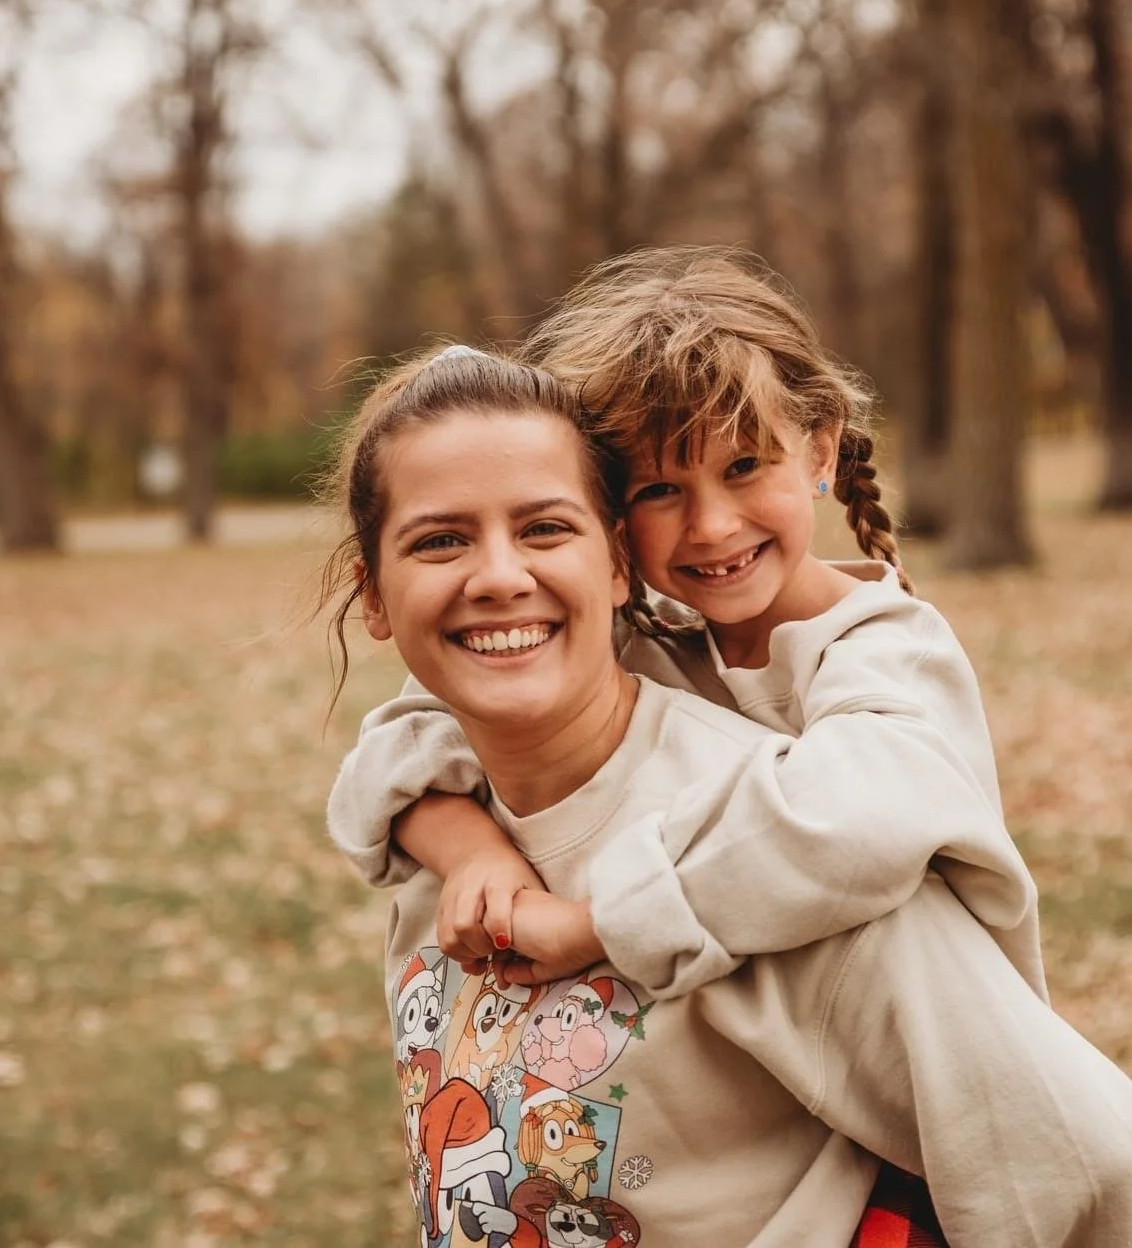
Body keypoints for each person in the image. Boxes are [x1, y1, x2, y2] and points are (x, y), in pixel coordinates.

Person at [321, 344, 1132, 1246]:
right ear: (373, 593)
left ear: (616, 564)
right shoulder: (441, 823)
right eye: (440, 540)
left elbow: (1084, 1169)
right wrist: (464, 845)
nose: (499, 577)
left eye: (544, 528)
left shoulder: (787, 854)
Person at [329, 247, 1045, 1010]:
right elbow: (394, 754)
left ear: (821, 449)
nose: (711, 525)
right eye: (660, 489)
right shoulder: (635, 637)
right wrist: (475, 853)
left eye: (744, 467)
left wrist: (601, 923)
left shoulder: (890, 653)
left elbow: (853, 824)